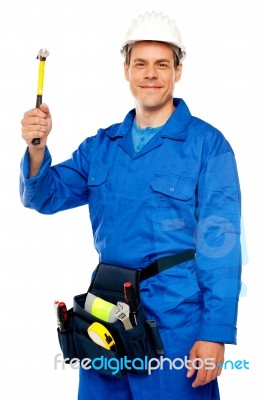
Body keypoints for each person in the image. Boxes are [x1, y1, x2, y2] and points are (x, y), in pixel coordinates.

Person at [20, 11, 242, 400]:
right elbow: (44, 195)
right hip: (105, 317)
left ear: (178, 71)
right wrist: (36, 148)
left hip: (174, 323)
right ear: (126, 70)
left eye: (162, 64)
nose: (151, 74)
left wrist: (214, 333)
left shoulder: (208, 145)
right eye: (140, 64)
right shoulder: (103, 146)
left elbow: (221, 244)